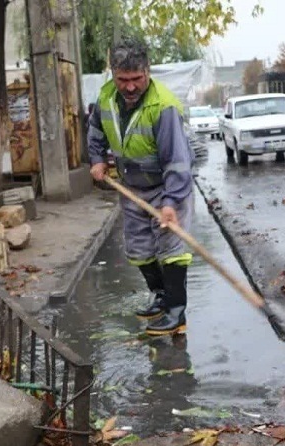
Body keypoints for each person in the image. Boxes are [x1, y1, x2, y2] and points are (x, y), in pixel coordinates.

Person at [87, 36, 195, 337]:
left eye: (137, 78)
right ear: (113, 74)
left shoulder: (164, 107)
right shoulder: (107, 97)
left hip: (167, 186)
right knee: (140, 248)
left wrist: (172, 203)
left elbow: (177, 160)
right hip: (132, 187)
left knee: (172, 249)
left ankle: (176, 312)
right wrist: (97, 159)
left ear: (148, 71)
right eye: (124, 79)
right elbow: (95, 129)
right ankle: (160, 298)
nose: (130, 87)